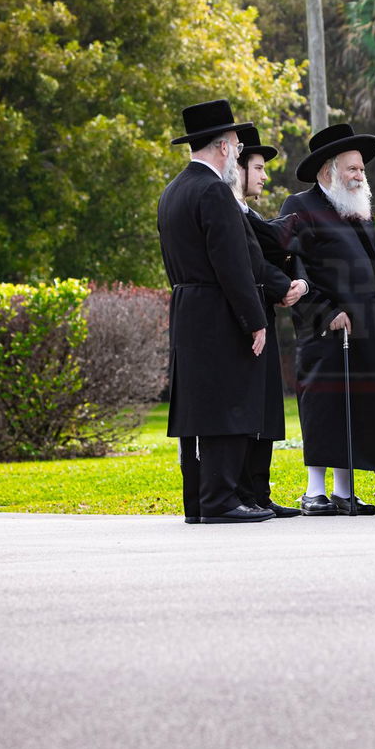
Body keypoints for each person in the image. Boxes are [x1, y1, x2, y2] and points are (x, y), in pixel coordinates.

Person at [157, 99, 273, 524]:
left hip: (186, 307)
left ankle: (199, 503)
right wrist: (254, 319)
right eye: (239, 148)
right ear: (224, 147)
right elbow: (233, 264)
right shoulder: (214, 191)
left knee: (197, 408)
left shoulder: (173, 190)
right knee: (227, 403)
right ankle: (221, 500)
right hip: (218, 308)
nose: (239, 155)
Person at [280, 123, 375, 516]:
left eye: (361, 170)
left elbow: (364, 262)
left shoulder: (355, 209)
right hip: (325, 330)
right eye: (352, 169)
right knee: (325, 408)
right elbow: (296, 269)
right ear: (327, 171)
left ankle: (344, 491)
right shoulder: (299, 207)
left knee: (357, 408)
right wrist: (326, 311)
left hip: (365, 327)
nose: (359, 176)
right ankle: (314, 492)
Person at [232, 126, 308, 518]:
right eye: (258, 167)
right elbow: (248, 262)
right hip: (243, 320)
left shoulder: (248, 212)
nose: (264, 176)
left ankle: (259, 493)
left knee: (265, 406)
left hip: (261, 311)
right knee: (247, 407)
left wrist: (291, 284)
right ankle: (244, 493)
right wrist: (283, 286)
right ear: (237, 166)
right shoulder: (227, 209)